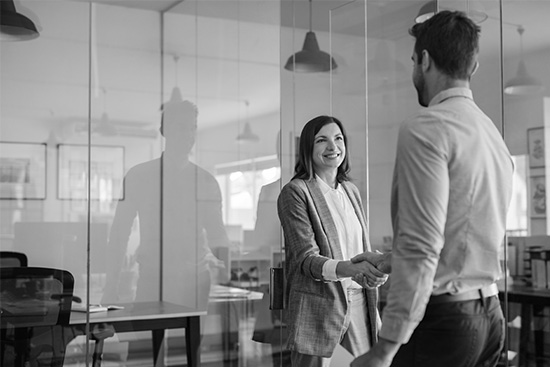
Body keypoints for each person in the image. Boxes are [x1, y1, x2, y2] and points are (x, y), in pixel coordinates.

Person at [351, 11, 514, 367]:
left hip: (444, 324)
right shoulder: (491, 135)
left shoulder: (427, 128)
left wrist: (386, 348)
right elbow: (463, 236)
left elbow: (422, 244)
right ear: (472, 66)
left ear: (424, 60)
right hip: (490, 316)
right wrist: (389, 261)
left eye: (413, 60)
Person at [103, 87, 229, 310]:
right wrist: (110, 285)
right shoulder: (139, 176)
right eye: (182, 128)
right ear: (164, 130)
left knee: (189, 345)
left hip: (195, 280)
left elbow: (216, 233)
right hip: (153, 278)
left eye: (193, 128)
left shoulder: (206, 181)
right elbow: (119, 234)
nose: (189, 135)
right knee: (145, 342)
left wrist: (229, 264)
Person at [277, 115, 389, 367]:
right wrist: (352, 268)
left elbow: (360, 247)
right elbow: (306, 259)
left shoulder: (351, 191)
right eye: (322, 140)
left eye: (338, 138)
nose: (333, 147)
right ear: (308, 147)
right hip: (320, 306)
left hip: (360, 301)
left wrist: (374, 269)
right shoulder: (296, 192)